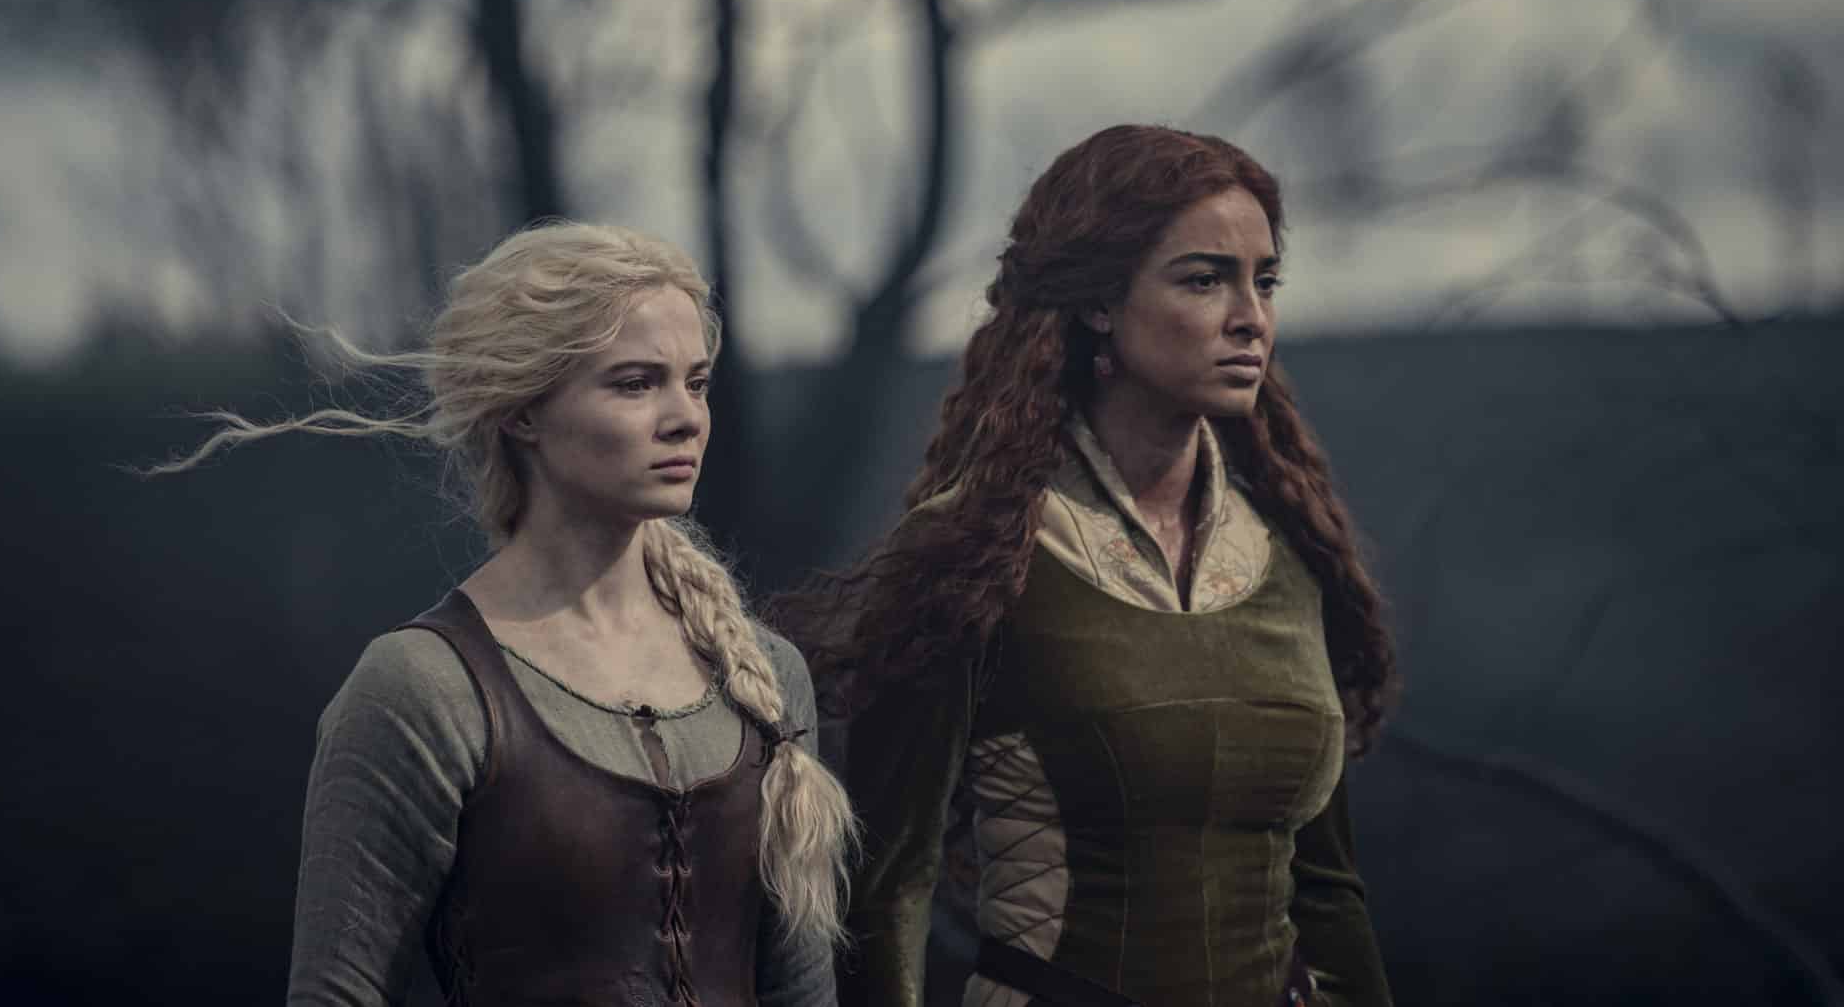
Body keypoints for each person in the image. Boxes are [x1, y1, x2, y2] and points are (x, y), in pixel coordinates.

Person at [155, 221, 855, 1007]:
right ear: (524, 412)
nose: (686, 416)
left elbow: (805, 994)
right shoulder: (422, 689)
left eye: (695, 382)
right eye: (635, 383)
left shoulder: (764, 674)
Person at [790, 126, 1397, 1007]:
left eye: (1264, 281)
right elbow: (886, 892)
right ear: (1101, 301)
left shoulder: (1293, 558)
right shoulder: (975, 553)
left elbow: (1330, 896)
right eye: (1205, 279)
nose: (1251, 317)